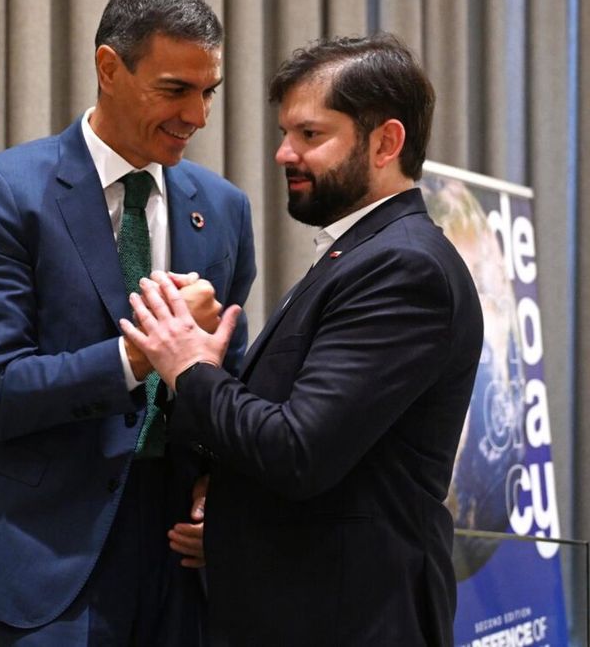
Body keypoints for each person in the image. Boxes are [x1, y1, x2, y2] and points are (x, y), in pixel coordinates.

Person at [122, 34, 484, 646]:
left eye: (311, 135)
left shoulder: (404, 268)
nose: (283, 153)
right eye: (286, 132)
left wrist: (190, 366)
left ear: (386, 143)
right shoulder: (359, 253)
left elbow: (298, 450)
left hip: (350, 621)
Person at [0, 0, 256, 644]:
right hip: (52, 552)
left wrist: (221, 487)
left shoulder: (225, 209)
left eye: (209, 93)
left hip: (187, 558)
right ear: (108, 67)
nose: (197, 117)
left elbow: (235, 375)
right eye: (176, 90)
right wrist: (142, 351)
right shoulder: (1, 193)